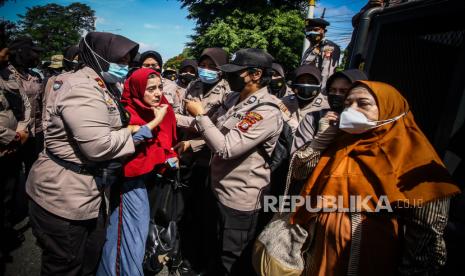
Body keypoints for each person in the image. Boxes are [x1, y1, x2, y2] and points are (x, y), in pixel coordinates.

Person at [291, 81, 460, 276]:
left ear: (390, 109)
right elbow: (299, 173)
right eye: (348, 104)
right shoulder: (342, 142)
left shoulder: (416, 158)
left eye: (362, 104)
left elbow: (427, 231)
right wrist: (320, 141)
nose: (350, 110)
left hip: (369, 258)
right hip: (318, 252)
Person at [26, 32, 139, 276]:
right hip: (63, 194)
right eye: (120, 60)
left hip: (86, 190)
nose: (125, 67)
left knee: (90, 256)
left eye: (128, 61)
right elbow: (98, 146)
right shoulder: (81, 86)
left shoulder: (102, 84)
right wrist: (133, 133)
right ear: (99, 56)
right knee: (65, 264)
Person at [185, 48, 283, 275]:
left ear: (255, 74)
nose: (229, 77)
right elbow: (210, 128)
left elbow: (226, 148)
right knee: (212, 249)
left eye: (235, 72)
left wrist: (199, 115)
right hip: (216, 189)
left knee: (230, 260)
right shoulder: (232, 98)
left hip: (239, 201)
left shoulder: (266, 111)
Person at [98, 68, 178, 276]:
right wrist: (154, 122)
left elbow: (167, 138)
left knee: (135, 234)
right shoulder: (126, 112)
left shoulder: (161, 108)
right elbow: (123, 145)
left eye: (160, 87)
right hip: (128, 183)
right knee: (129, 235)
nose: (158, 93)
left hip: (148, 180)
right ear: (136, 89)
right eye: (150, 89)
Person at [173, 47, 229, 273]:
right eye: (202, 65)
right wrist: (194, 122)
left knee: (205, 215)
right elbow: (179, 114)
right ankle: (184, 255)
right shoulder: (193, 85)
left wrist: (194, 129)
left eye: (211, 67)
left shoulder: (227, 91)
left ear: (221, 69)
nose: (205, 70)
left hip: (209, 159)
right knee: (185, 210)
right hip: (186, 155)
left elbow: (218, 131)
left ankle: (201, 262)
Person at [0, 43, 31, 263]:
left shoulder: (8, 74)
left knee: (8, 194)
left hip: (12, 147)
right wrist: (10, 137)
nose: (5, 53)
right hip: (6, 142)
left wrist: (21, 132)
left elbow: (25, 104)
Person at [292, 69, 368, 153]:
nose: (336, 95)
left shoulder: (369, 123)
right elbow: (295, 163)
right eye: (332, 90)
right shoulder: (313, 118)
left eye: (343, 91)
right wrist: (320, 139)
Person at [7, 37, 44, 175]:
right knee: (12, 173)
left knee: (34, 169)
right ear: (21, 53)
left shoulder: (35, 75)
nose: (36, 56)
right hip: (15, 132)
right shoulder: (6, 74)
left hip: (36, 131)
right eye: (33, 52)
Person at [301, 18, 340, 90]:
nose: (311, 32)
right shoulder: (310, 49)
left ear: (324, 31)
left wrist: (321, 94)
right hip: (306, 89)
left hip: (318, 92)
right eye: (308, 30)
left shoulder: (328, 47)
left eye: (316, 30)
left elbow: (326, 75)